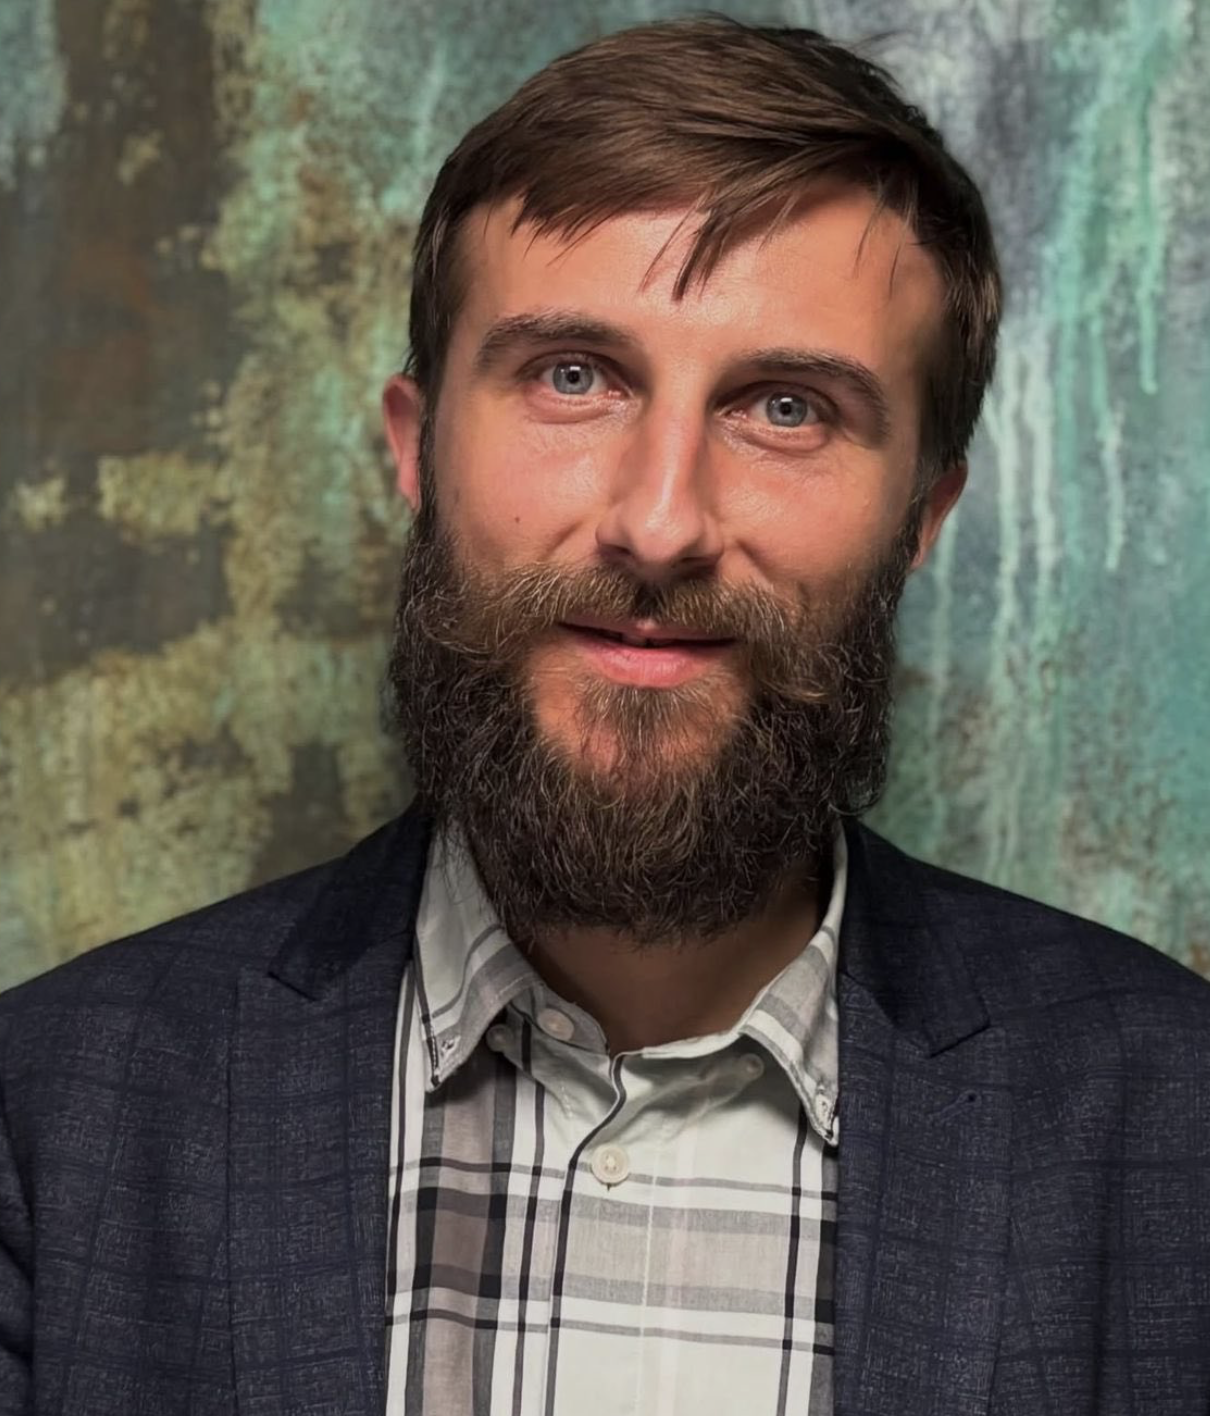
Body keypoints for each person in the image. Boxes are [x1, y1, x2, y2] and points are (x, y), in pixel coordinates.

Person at [1, 15, 1208, 1415]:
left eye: (786, 408)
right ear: (417, 448)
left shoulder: (1176, 1126)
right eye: (572, 376)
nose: (659, 522)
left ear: (921, 517)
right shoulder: (50, 1117)